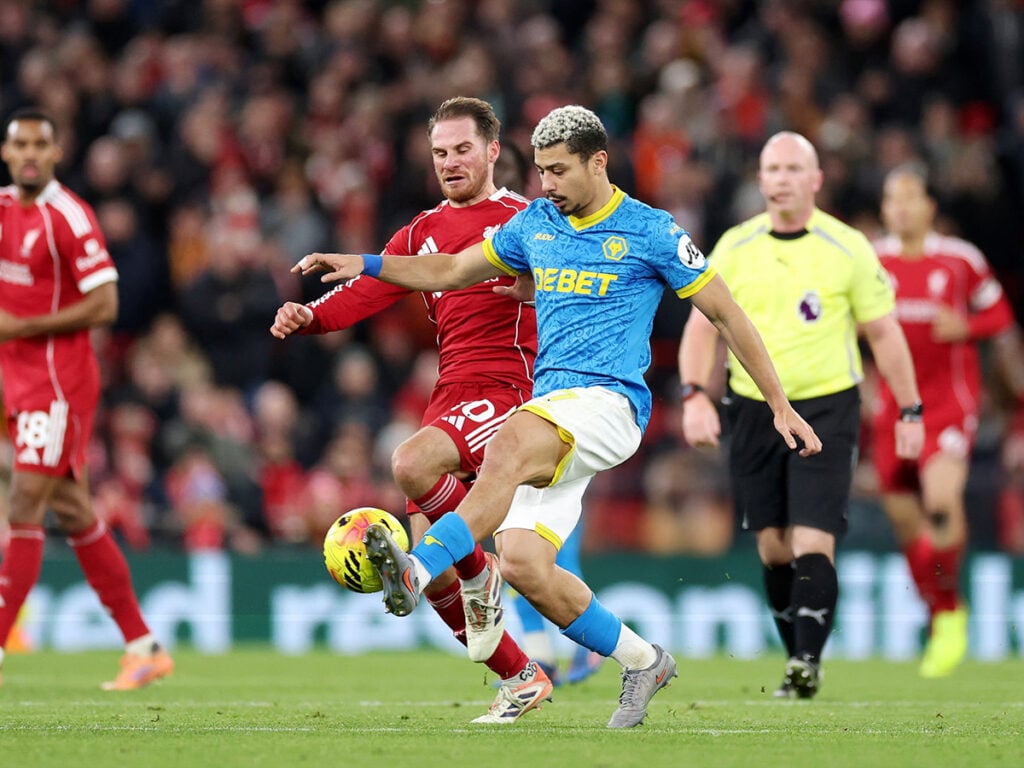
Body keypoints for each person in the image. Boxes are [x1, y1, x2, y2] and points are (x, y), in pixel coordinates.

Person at [295, 105, 822, 728]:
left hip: (610, 403)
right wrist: (369, 264)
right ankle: (644, 660)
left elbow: (727, 314)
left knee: (509, 441)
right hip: (553, 405)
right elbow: (451, 269)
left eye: (559, 171)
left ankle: (420, 569)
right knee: (524, 564)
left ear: (598, 163)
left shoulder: (651, 230)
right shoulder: (537, 223)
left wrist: (780, 405)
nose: (546, 184)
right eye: (541, 171)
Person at [270, 97, 553, 724]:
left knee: (410, 464)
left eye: (462, 150)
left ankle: (483, 574)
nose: (450, 162)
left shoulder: (525, 219)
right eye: (440, 153)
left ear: (492, 151)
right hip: (450, 393)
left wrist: (538, 288)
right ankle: (520, 676)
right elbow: (367, 290)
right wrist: (310, 316)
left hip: (509, 389)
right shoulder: (420, 231)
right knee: (430, 566)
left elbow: (574, 287)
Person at [678, 131, 924, 699]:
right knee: (773, 546)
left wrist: (909, 409)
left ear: (816, 180)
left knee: (813, 537)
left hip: (827, 404)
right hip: (753, 407)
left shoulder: (848, 246)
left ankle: (806, 662)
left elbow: (884, 334)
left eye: (794, 169)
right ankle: (798, 659)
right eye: (773, 168)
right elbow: (701, 327)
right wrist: (694, 395)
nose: (782, 179)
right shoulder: (735, 247)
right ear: (760, 179)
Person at [0, 108, 173, 689]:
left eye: (39, 145)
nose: (29, 154)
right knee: (74, 511)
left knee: (24, 503)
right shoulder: (3, 209)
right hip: (16, 382)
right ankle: (143, 646)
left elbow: (106, 304)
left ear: (55, 153)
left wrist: (20, 328)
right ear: (6, 153)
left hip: (58, 382)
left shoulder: (70, 216)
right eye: (20, 144)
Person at [871, 165, 1018, 677]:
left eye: (911, 198)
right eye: (893, 199)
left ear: (929, 206)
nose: (902, 207)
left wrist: (967, 325)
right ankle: (940, 610)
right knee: (905, 521)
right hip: (891, 409)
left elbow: (1000, 316)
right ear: (885, 209)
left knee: (939, 503)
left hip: (948, 406)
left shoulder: (960, 259)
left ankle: (951, 614)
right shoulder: (871, 261)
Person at [493, 139, 603, 687]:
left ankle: (582, 649)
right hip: (521, 400)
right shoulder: (522, 237)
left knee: (543, 539)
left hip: (556, 401)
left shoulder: (546, 232)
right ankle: (547, 655)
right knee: (518, 538)